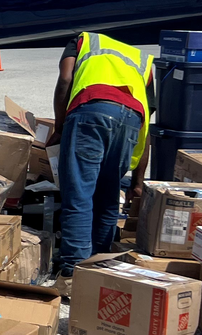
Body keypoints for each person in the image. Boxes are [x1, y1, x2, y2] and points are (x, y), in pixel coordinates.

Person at [49, 32, 155, 289]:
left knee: (79, 194)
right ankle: (99, 265)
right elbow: (147, 123)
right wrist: (137, 182)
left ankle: (74, 273)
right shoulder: (142, 60)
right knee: (108, 196)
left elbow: (65, 79)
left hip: (92, 110)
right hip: (131, 121)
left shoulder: (83, 40)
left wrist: (60, 127)